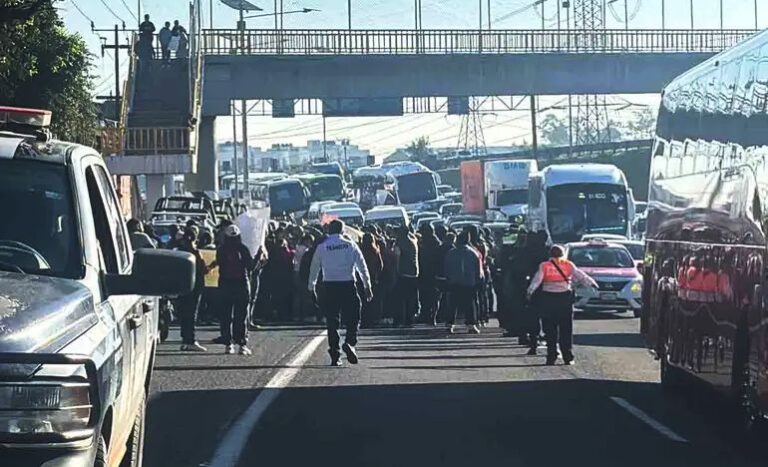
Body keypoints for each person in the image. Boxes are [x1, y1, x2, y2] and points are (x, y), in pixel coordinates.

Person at [308, 220, 372, 366]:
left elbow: (314, 268)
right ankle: (350, 341)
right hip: (348, 285)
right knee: (354, 315)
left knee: (332, 320)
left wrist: (311, 288)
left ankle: (335, 354)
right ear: (343, 231)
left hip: (329, 286)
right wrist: (367, 285)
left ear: (329, 231)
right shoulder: (350, 245)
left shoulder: (322, 247)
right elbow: (362, 266)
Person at [527, 245, 598, 365]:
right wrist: (592, 284)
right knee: (566, 329)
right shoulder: (568, 264)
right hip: (564, 299)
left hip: (548, 299)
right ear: (562, 254)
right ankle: (568, 356)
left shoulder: (544, 266)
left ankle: (551, 355)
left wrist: (529, 292)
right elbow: (581, 276)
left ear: (550, 254)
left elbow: (537, 280)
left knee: (550, 329)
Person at [217, 225, 255, 355]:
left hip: (225, 284)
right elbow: (250, 266)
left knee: (225, 316)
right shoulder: (243, 249)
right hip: (241, 284)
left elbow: (220, 264)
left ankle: (228, 344)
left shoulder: (221, 250)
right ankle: (242, 344)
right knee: (241, 315)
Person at [444, 230, 482, 334]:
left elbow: (447, 268)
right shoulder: (474, 253)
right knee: (470, 304)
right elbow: (478, 269)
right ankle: (471, 325)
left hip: (454, 282)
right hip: (469, 282)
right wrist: (478, 280)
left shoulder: (451, 253)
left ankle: (450, 324)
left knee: (452, 304)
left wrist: (448, 278)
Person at [176, 228, 208, 352]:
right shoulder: (195, 252)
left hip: (182, 286)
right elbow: (203, 270)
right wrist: (213, 265)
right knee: (192, 313)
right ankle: (190, 340)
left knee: (184, 313)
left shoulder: (180, 251)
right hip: (195, 286)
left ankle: (184, 339)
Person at [394, 226, 420, 327]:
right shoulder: (413, 241)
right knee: (410, 298)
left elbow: (397, 257)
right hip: (414, 273)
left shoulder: (400, 243)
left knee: (400, 299)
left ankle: (399, 320)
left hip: (403, 273)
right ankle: (409, 319)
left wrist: (397, 271)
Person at [418, 223, 442, 326]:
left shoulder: (434, 243)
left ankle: (432, 316)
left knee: (432, 297)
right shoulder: (428, 242)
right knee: (426, 296)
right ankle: (427, 315)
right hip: (425, 273)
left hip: (431, 274)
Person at [361, 232, 384, 327]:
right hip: (373, 278)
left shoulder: (361, 250)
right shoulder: (375, 251)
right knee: (373, 299)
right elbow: (380, 265)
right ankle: (373, 319)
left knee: (363, 299)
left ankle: (364, 319)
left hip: (361, 278)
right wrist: (377, 274)